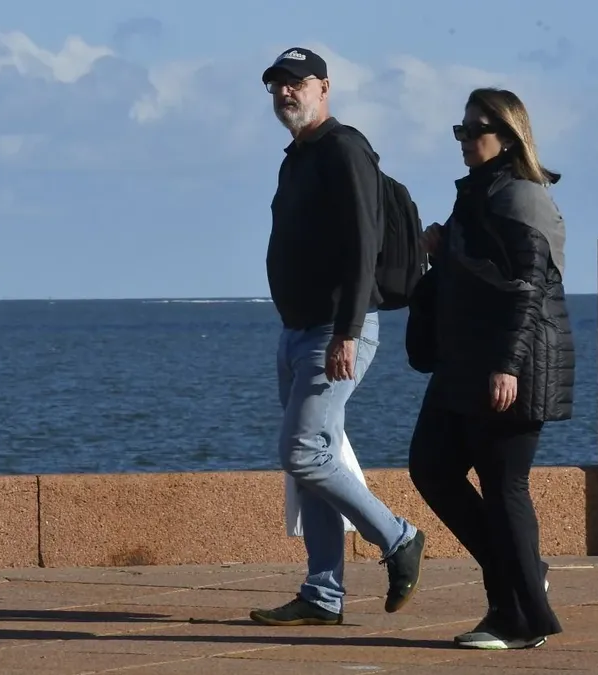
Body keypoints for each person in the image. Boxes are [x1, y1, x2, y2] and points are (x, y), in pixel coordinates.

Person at [249, 47, 426, 628]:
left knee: (302, 451)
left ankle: (398, 537)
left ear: (324, 87)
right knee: (311, 461)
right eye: (277, 85)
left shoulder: (344, 148)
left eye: (296, 84)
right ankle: (323, 593)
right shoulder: (294, 158)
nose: (285, 94)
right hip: (297, 332)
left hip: (336, 330)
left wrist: (347, 331)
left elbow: (363, 246)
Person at [407, 87, 573, 650]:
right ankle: (521, 575)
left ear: (508, 134)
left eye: (475, 129)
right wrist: (442, 249)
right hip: (463, 364)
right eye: (460, 129)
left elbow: (527, 290)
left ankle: (520, 618)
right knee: (431, 467)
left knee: (505, 489)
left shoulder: (522, 197)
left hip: (510, 365)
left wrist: (507, 366)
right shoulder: (478, 193)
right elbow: (481, 273)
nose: (464, 139)